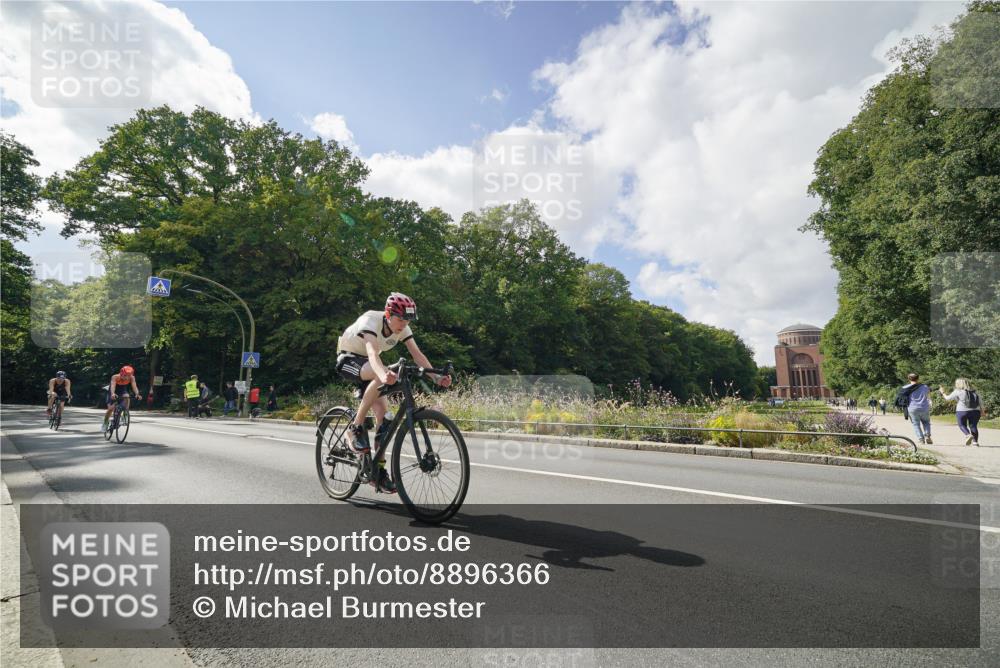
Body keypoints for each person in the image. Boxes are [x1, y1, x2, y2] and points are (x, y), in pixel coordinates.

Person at [335, 292, 452, 494]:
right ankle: (355, 428)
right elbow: (372, 353)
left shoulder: (403, 327)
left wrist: (436, 377)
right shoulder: (370, 320)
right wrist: (382, 374)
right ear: (388, 314)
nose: (404, 324)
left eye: (407, 320)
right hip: (349, 359)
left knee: (385, 420)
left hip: (371, 365)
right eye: (400, 319)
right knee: (380, 374)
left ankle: (377, 473)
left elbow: (417, 355)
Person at [939, 379, 985, 446]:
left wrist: (943, 392)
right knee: (973, 426)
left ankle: (968, 435)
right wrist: (983, 411)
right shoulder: (975, 392)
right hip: (975, 411)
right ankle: (975, 442)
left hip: (962, 411)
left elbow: (947, 398)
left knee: (962, 425)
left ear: (958, 384)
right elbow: (981, 402)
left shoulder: (958, 391)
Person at [898, 373, 932, 445]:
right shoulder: (925, 387)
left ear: (909, 379)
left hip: (912, 408)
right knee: (926, 422)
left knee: (916, 424)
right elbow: (928, 395)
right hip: (924, 407)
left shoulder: (905, 388)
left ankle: (921, 439)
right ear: (918, 378)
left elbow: (901, 397)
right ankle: (927, 436)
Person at [102, 366, 139, 431]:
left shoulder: (132, 378)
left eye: (128, 376)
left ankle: (125, 414)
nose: (126, 377)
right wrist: (113, 393)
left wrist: (137, 394)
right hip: (113, 390)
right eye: (125, 375)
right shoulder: (115, 377)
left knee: (127, 396)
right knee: (110, 409)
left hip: (122, 390)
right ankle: (105, 422)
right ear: (121, 373)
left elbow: (134, 386)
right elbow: (113, 385)